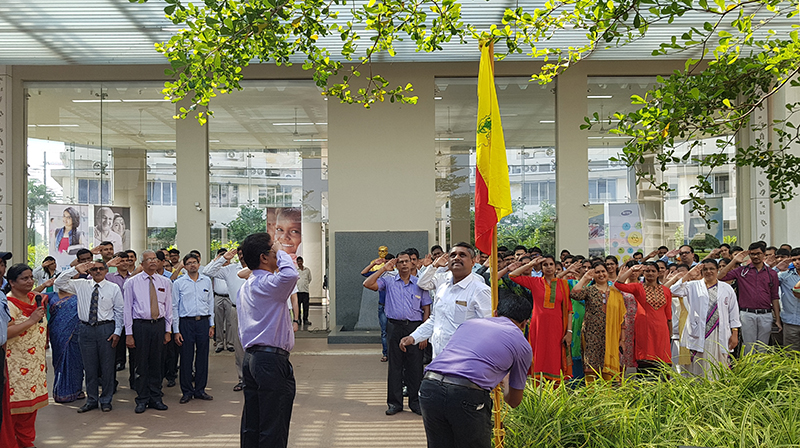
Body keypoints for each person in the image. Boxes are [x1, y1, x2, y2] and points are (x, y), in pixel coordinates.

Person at [418, 291, 532, 448]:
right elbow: (513, 401)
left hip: (429, 386)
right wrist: (505, 378)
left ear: (495, 313)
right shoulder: (522, 345)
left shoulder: (469, 324)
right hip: (466, 394)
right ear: (525, 323)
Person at [237, 232, 298, 448]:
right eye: (274, 250)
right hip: (270, 361)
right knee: (274, 424)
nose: (279, 252)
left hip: (252, 358)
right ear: (264, 257)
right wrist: (282, 253)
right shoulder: (269, 284)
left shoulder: (248, 284)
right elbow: (291, 276)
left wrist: (276, 251)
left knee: (253, 421)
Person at [364, 252, 432, 416]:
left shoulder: (420, 283)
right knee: (395, 366)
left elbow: (427, 308)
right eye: (400, 262)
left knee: (415, 367)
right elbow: (367, 283)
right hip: (394, 327)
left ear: (412, 264)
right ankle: (395, 403)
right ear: (396, 265)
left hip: (415, 328)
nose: (403, 265)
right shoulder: (388, 281)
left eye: (406, 261)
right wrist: (383, 269)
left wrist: (424, 335)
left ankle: (415, 403)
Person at [401, 243, 492, 359]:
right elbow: (435, 319)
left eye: (462, 255)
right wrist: (414, 337)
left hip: (464, 359)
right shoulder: (443, 287)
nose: (457, 258)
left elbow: (488, 329)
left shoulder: (480, 290)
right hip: (439, 357)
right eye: (453, 255)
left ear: (473, 261)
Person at [55, 260, 123, 412]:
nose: (97, 271)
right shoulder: (80, 285)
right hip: (85, 329)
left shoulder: (114, 288)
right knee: (89, 367)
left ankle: (106, 400)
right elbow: (59, 282)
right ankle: (92, 400)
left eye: (100, 269)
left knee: (107, 367)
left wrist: (117, 332)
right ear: (90, 272)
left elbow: (119, 311)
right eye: (94, 269)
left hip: (106, 329)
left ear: (106, 271)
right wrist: (75, 269)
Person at [669, 260, 740, 379]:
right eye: (705, 269)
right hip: (698, 333)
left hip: (719, 333)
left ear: (717, 270)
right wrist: (689, 275)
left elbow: (733, 313)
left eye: (712, 268)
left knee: (717, 364)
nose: (709, 271)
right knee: (698, 366)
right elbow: (672, 291)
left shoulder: (727, 288)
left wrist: (735, 333)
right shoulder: (693, 286)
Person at [508, 255, 573, 384]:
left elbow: (569, 310)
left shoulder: (563, 285)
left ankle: (556, 391)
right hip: (538, 328)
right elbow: (512, 276)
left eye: (551, 264)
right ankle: (538, 390)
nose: (548, 267)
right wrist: (530, 264)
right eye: (545, 265)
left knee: (555, 356)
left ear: (555, 267)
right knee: (538, 355)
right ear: (541, 268)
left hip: (557, 328)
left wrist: (569, 332)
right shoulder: (535, 282)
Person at [4, 264, 49, 447]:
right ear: (12, 282)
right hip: (14, 365)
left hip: (35, 363)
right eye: (25, 278)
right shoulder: (7, 304)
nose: (30, 281)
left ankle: (26, 441)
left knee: (31, 408)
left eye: (31, 277)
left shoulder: (35, 300)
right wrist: (31, 320)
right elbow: (5, 333)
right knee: (15, 408)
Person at [123, 250, 172, 414]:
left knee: (157, 363)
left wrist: (168, 330)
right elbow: (127, 309)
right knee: (141, 364)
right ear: (141, 264)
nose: (152, 261)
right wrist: (129, 334)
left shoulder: (165, 282)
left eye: (154, 259)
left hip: (158, 326)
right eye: (148, 259)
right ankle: (142, 399)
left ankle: (156, 398)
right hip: (140, 326)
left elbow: (169, 307)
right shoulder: (132, 282)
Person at [718, 243, 781, 354]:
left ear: (764, 254)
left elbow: (775, 297)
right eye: (752, 254)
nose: (755, 257)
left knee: (763, 347)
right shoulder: (742, 271)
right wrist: (734, 261)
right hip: (747, 314)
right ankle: (748, 370)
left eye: (758, 254)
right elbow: (720, 277)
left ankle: (761, 371)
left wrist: (778, 319)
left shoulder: (772, 273)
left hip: (766, 314)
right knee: (748, 346)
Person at [571, 261, 627, 382]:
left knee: (609, 368)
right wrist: (585, 278)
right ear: (593, 275)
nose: (601, 274)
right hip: (592, 335)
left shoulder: (616, 293)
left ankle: (608, 396)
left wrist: (622, 340)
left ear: (608, 273)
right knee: (590, 367)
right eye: (597, 272)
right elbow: (574, 294)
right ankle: (592, 397)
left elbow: (622, 318)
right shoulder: (589, 290)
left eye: (603, 271)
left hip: (611, 336)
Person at [615, 262, 673, 377]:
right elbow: (618, 284)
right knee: (645, 361)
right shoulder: (638, 287)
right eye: (647, 271)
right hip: (644, 330)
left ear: (658, 273)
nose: (650, 273)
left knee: (662, 361)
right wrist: (632, 269)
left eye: (653, 271)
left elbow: (668, 315)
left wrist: (670, 334)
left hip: (662, 331)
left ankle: (662, 391)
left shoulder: (666, 290)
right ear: (643, 273)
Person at [172, 253, 215, 404]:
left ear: (199, 263)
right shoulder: (179, 283)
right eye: (189, 263)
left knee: (202, 357)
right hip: (186, 323)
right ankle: (187, 391)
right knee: (186, 357)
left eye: (194, 262)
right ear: (184, 266)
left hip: (203, 322)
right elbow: (174, 307)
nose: (192, 265)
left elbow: (210, 302)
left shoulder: (206, 281)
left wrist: (212, 324)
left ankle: (200, 390)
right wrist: (176, 330)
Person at [204, 247, 247, 391]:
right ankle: (242, 379)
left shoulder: (258, 269)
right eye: (239, 254)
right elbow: (207, 271)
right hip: (236, 309)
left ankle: (256, 378)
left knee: (256, 346)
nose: (241, 256)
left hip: (256, 311)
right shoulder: (230, 269)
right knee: (239, 347)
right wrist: (223, 258)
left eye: (244, 253)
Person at [45, 274, 85, 404]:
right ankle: (61, 392)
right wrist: (45, 285)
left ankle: (77, 390)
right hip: (57, 334)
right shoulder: (50, 296)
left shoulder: (79, 296)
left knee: (76, 362)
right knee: (60, 361)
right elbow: (31, 295)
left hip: (76, 334)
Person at [360, 253, 396, 363]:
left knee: (395, 332)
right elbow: (364, 273)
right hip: (383, 306)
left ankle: (395, 354)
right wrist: (374, 264)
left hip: (394, 307)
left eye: (391, 262)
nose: (389, 264)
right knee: (384, 332)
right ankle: (386, 354)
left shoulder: (398, 274)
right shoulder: (381, 274)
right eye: (387, 262)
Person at [778, 248, 800, 351]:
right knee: (791, 355)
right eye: (794, 260)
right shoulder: (784, 276)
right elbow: (766, 280)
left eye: (799, 259)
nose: (797, 262)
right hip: (791, 322)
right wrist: (777, 268)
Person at [295, 256, 312, 325]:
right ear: (296, 262)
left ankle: (305, 319)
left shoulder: (307, 270)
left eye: (300, 261)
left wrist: (305, 284)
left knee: (306, 307)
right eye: (298, 261)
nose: (299, 263)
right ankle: (298, 319)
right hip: (298, 291)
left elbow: (309, 279)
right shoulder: (296, 270)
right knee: (298, 306)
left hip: (305, 291)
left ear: (302, 261)